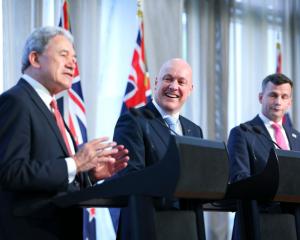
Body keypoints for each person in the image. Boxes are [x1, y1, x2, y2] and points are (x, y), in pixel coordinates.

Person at [0, 26, 129, 240]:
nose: (72, 64)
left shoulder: (51, 108)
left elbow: (50, 170)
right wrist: (76, 163)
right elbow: (10, 172)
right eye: (64, 55)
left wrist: (87, 175)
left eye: (75, 58)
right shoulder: (16, 102)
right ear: (35, 59)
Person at [113, 58, 203, 238]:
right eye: (168, 79)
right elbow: (130, 176)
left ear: (190, 89)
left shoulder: (195, 130)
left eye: (181, 82)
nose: (173, 86)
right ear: (156, 83)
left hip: (188, 225)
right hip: (147, 225)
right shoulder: (133, 120)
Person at [227, 73, 300, 239]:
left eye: (284, 96)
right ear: (261, 97)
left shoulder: (298, 138)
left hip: (293, 223)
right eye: (273, 95)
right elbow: (240, 178)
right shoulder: (242, 133)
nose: (278, 102)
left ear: (290, 102)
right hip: (257, 222)